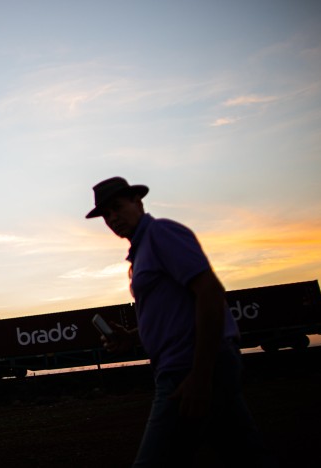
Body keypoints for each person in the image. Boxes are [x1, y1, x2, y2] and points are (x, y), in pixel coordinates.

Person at [85, 176, 274, 467]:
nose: (112, 218)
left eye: (117, 207)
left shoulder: (162, 234)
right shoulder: (142, 251)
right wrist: (132, 336)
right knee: (244, 455)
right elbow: (176, 315)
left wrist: (201, 375)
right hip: (190, 366)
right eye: (106, 214)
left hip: (188, 367)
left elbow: (210, 294)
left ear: (138, 202)